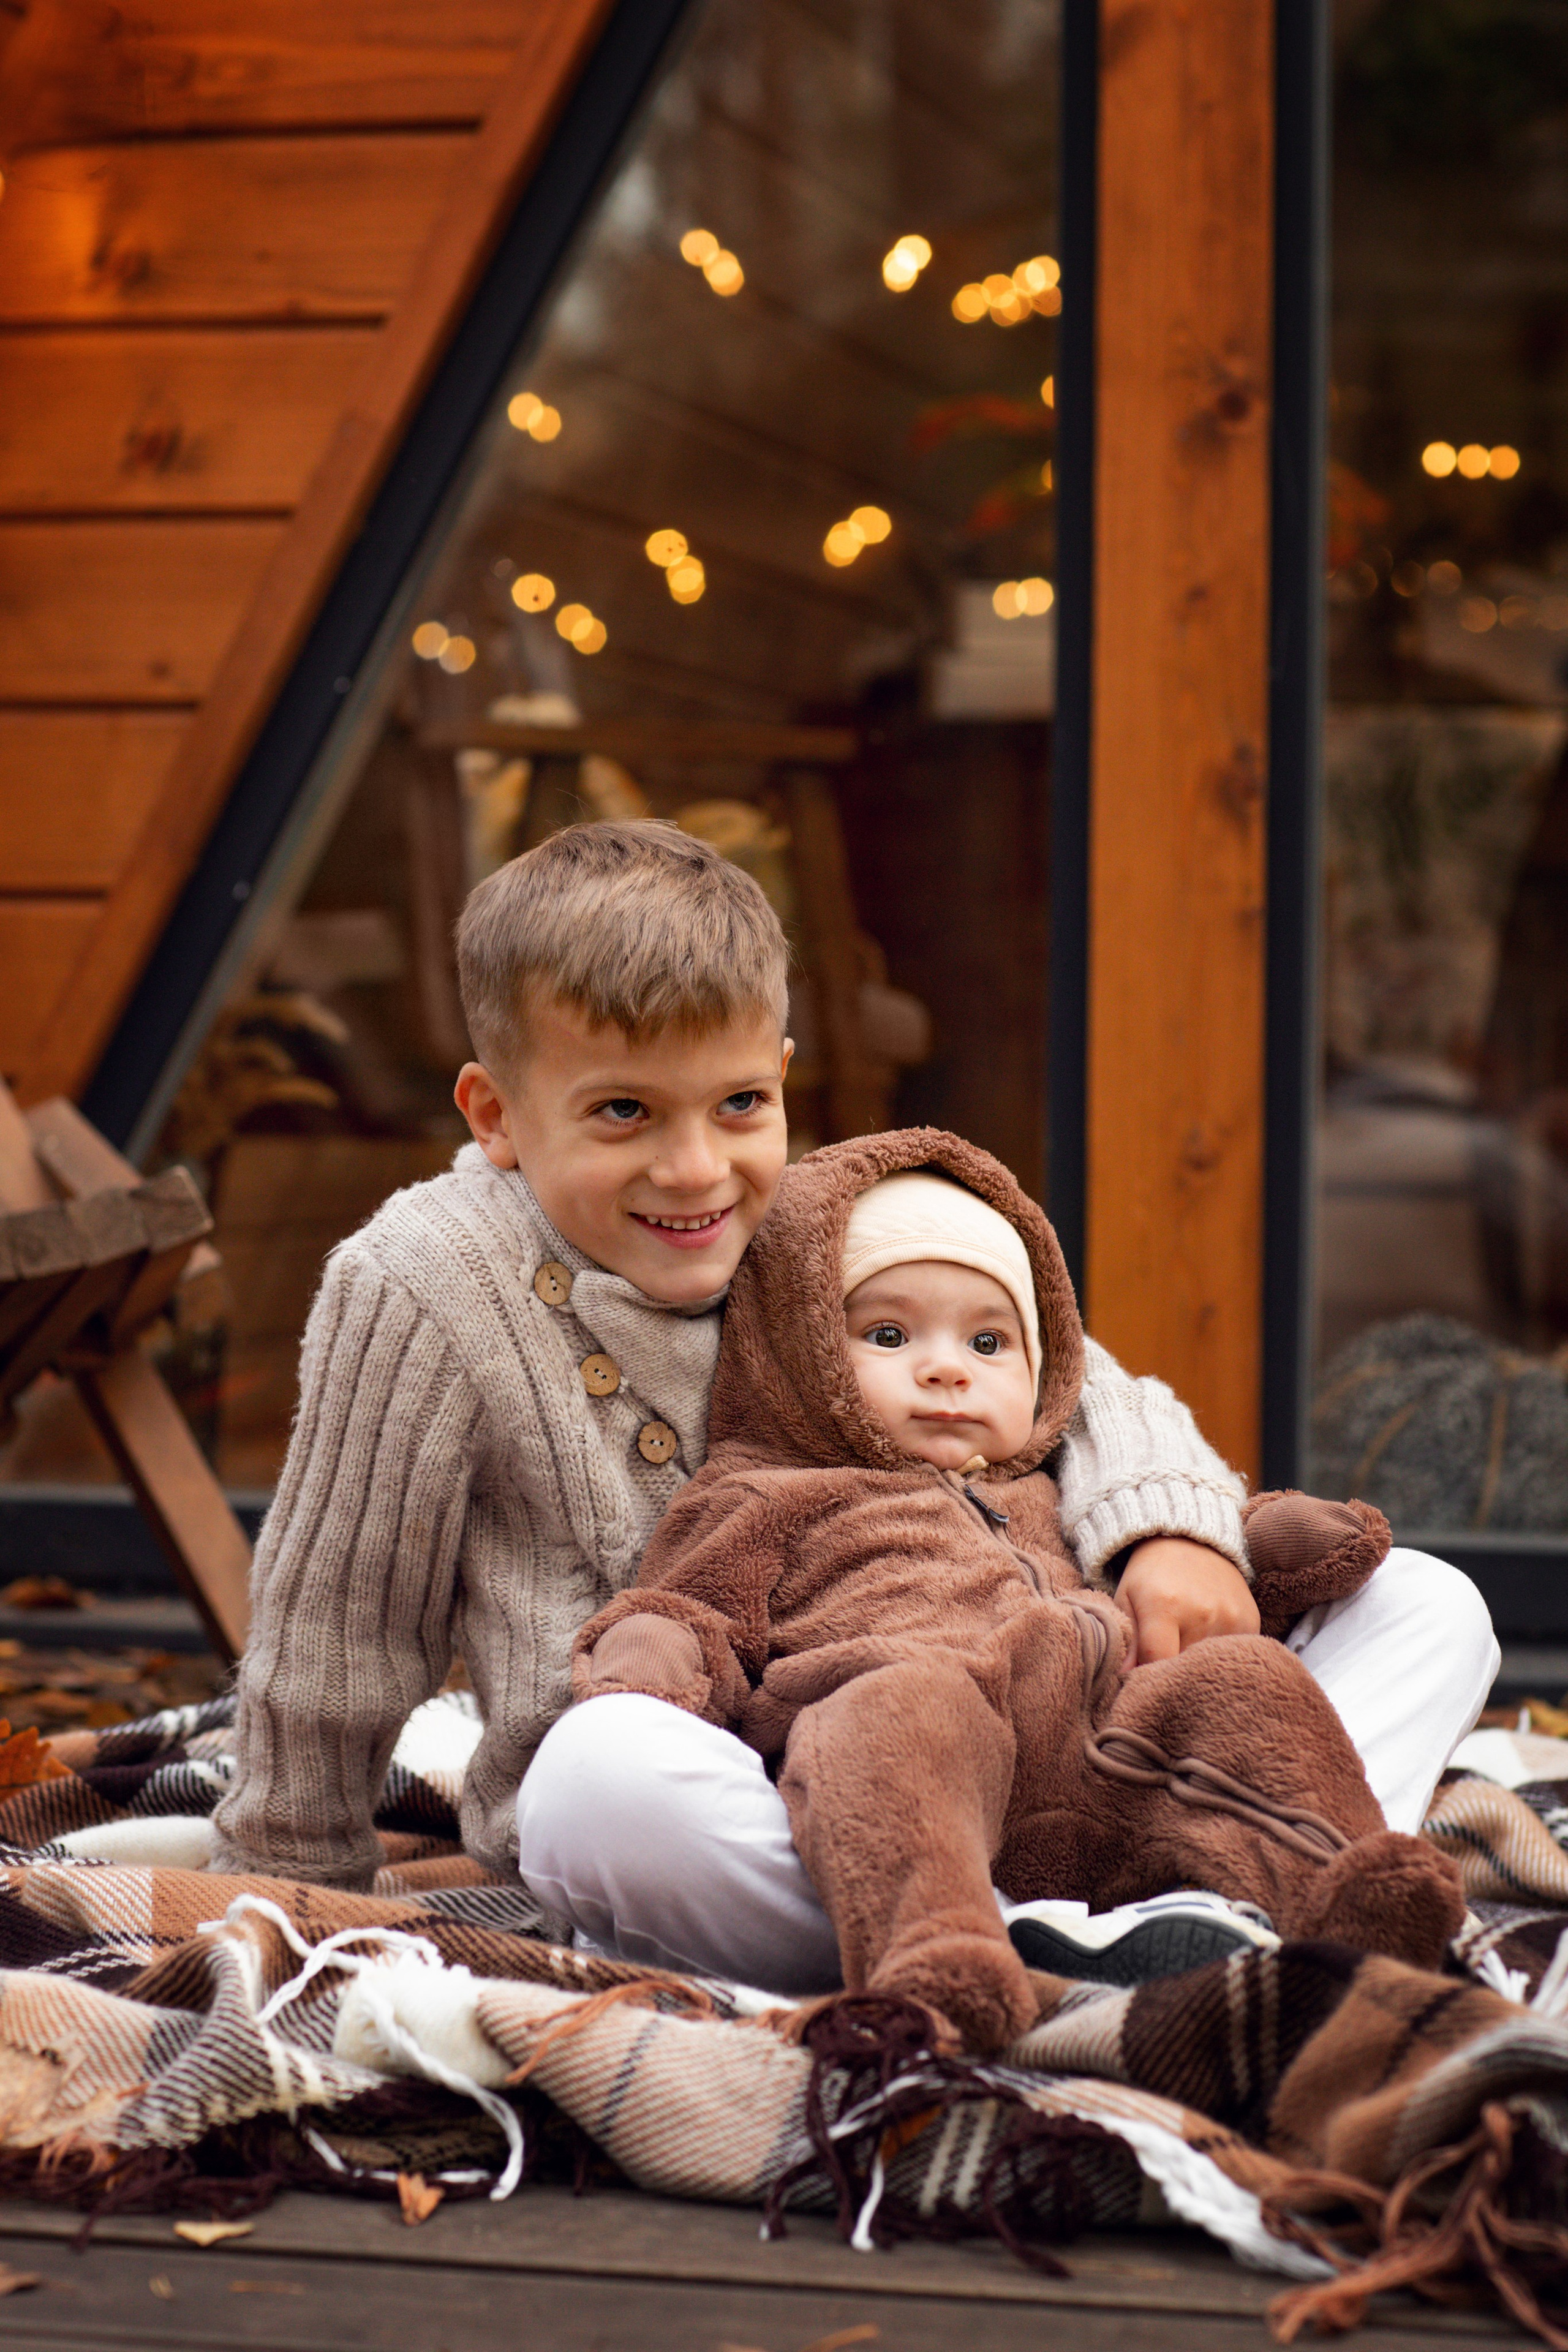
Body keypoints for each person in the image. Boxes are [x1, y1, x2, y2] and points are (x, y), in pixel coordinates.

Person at [211, 821, 1496, 1987]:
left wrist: (1169, 1532)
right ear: (496, 1114)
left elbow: (1071, 1376)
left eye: (738, 1106)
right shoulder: (424, 1280)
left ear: (781, 1075)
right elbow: (339, 1613)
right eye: (620, 1113)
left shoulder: (812, 1215)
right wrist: (291, 1876)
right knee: (591, 1785)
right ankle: (1010, 1942)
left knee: (1426, 1604)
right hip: (749, 1783)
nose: (692, 1168)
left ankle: (1239, 1888)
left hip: (1039, 1741)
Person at [564, 1134, 1467, 2050]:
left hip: (1111, 1740)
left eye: (988, 1341)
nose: (947, 1367)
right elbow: (692, 1607)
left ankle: (1337, 1902)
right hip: (930, 1741)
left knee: (1255, 1677)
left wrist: (1256, 1543)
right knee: (888, 1722)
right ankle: (949, 1952)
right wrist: (654, 1661)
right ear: (797, 1355)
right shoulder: (766, 1490)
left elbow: (1218, 1574)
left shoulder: (1055, 1476)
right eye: (887, 1335)